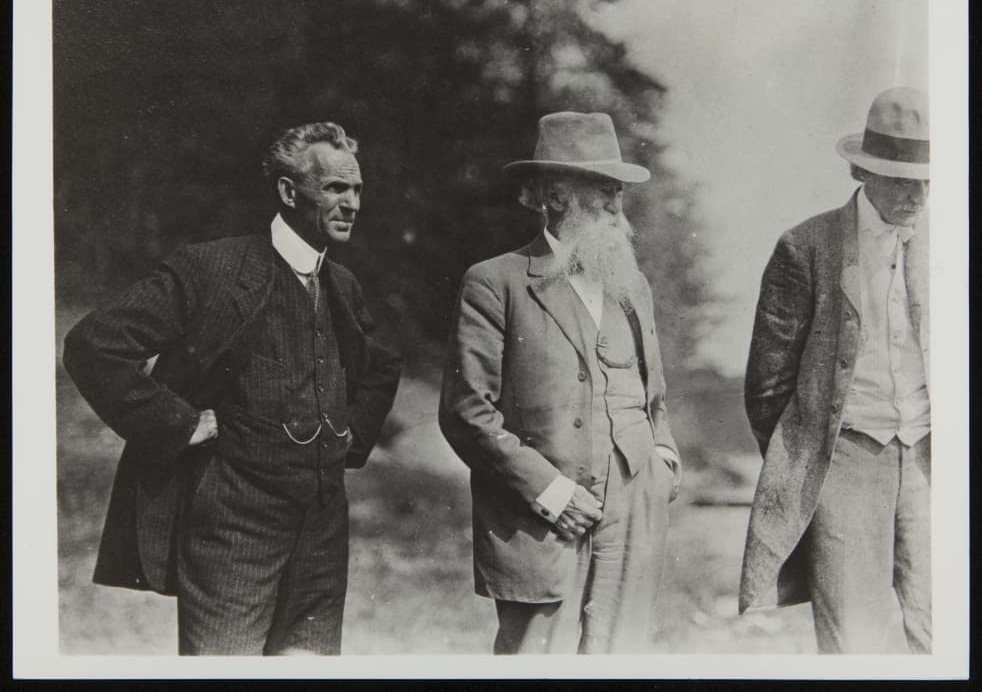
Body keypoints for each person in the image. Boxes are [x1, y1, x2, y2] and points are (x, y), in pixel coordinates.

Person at [63, 121, 401, 655]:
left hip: (322, 533)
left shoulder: (343, 285)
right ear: (289, 192)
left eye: (357, 189)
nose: (352, 203)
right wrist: (180, 423)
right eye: (336, 188)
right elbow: (95, 345)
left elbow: (381, 366)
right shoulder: (211, 269)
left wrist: (349, 437)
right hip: (232, 530)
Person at [439, 111, 682, 654]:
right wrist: (549, 492)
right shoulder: (495, 281)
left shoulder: (631, 283)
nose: (616, 207)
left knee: (622, 657)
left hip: (634, 510)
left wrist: (662, 459)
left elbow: (652, 394)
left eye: (618, 191)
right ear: (551, 196)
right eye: (601, 191)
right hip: (543, 518)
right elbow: (467, 411)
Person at [739, 87, 931, 653]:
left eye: (926, 178)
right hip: (844, 460)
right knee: (851, 635)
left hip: (931, 459)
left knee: (940, 622)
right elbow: (768, 384)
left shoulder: (949, 244)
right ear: (862, 172)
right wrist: (808, 456)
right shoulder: (807, 246)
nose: (917, 193)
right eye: (900, 178)